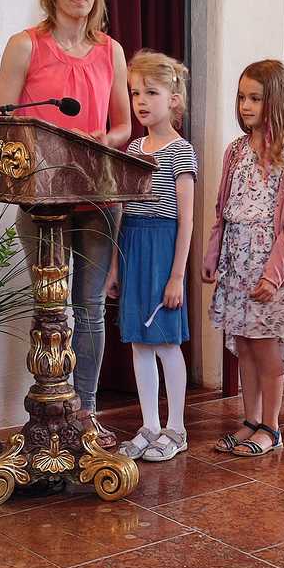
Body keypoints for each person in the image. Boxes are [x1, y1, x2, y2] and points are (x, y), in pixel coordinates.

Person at [0, 0, 132, 448]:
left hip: (98, 197)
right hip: (42, 199)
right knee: (49, 305)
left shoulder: (111, 51)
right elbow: (2, 121)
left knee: (89, 307)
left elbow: (124, 126)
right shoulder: (25, 45)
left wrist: (104, 140)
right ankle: (48, 412)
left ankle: (86, 412)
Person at [202, 60, 284, 457]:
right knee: (244, 345)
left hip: (268, 266)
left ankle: (271, 426)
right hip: (236, 263)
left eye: (255, 99)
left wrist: (274, 275)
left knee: (266, 348)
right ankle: (250, 420)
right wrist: (213, 253)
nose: (245, 106)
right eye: (242, 97)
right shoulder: (235, 151)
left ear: (276, 102)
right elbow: (223, 209)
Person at [105, 51, 196, 462]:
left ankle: (176, 428)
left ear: (173, 99)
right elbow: (123, 209)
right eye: (135, 93)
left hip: (162, 249)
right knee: (139, 343)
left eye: (151, 92)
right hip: (133, 246)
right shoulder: (134, 147)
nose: (141, 101)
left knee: (165, 342)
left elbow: (186, 220)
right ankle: (150, 426)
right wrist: (114, 266)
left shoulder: (181, 152)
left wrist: (176, 276)